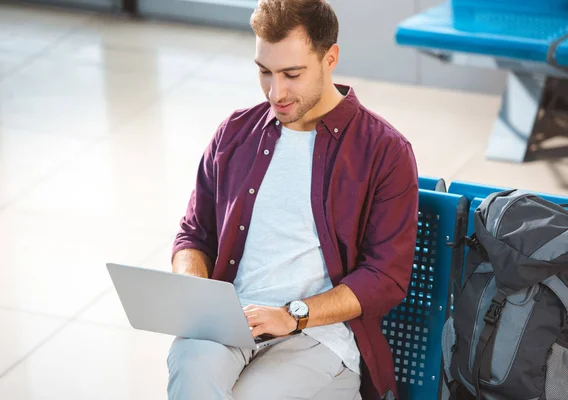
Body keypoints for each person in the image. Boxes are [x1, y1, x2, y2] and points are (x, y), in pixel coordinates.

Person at [167, 0, 419, 399]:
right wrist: (196, 295)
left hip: (320, 337)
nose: (275, 92)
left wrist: (292, 316)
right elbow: (194, 236)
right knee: (191, 368)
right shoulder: (234, 133)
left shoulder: (385, 152)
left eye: (292, 74)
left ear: (329, 58)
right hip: (234, 320)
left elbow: (386, 277)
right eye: (264, 72)